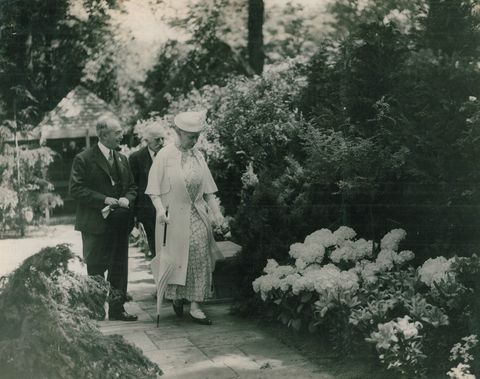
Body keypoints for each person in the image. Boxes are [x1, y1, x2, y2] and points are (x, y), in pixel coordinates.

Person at [145, 110, 224, 325]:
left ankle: (196, 305)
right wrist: (160, 210)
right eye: (191, 136)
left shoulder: (198, 156)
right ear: (179, 132)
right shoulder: (165, 155)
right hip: (172, 217)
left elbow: (208, 189)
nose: (195, 140)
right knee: (177, 258)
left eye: (198, 136)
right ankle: (177, 297)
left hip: (196, 213)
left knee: (199, 253)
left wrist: (216, 213)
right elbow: (153, 189)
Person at [69, 115, 138, 322]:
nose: (121, 135)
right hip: (95, 224)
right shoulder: (84, 158)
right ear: (103, 134)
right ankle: (96, 311)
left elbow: (133, 187)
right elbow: (76, 189)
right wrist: (105, 199)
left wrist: (126, 198)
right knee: (96, 266)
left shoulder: (122, 159)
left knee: (119, 266)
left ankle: (117, 310)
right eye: (117, 132)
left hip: (119, 224)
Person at [129, 124, 166, 258]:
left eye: (163, 139)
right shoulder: (136, 158)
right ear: (147, 140)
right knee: (157, 251)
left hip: (170, 210)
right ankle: (162, 278)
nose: (161, 142)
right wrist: (135, 217)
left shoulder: (170, 155)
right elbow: (133, 187)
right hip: (148, 213)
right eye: (157, 139)